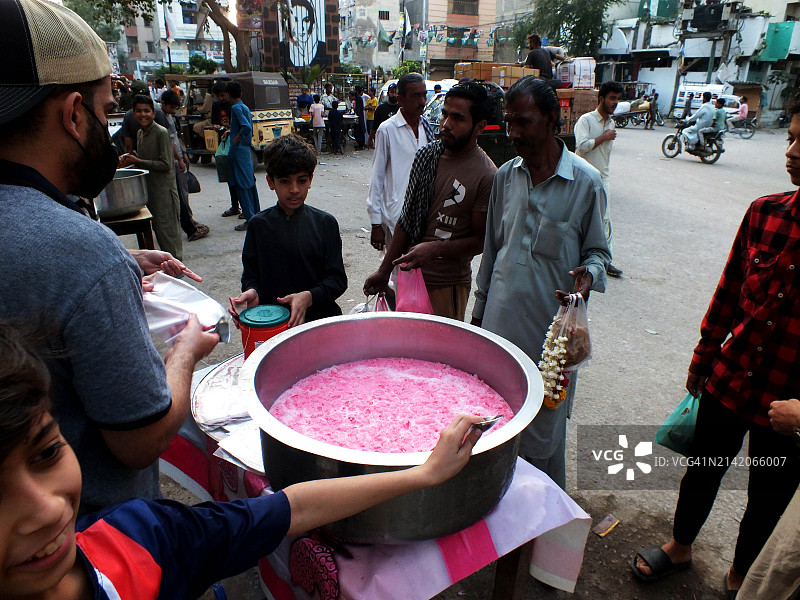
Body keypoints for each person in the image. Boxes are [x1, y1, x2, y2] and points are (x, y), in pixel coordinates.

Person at [0, 319, 483, 600]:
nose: (45, 509)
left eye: (46, 452)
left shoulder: (141, 541)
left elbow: (289, 509)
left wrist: (422, 474)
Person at [0, 0, 218, 513]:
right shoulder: (80, 254)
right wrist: (185, 351)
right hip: (85, 551)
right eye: (104, 110)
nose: (108, 122)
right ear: (74, 114)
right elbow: (140, 440)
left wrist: (121, 267)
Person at [631, 90, 800, 597]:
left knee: (769, 495)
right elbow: (728, 293)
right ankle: (682, 547)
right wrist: (704, 356)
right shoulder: (765, 213)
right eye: (791, 138)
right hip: (729, 379)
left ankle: (740, 576)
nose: (790, 152)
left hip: (787, 404)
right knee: (702, 469)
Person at [470, 76, 610, 489]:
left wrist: (589, 277)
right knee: (494, 430)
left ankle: (537, 536)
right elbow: (492, 253)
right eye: (509, 122)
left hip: (550, 338)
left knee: (540, 441)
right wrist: (478, 315)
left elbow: (599, 255)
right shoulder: (505, 178)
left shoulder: (586, 184)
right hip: (499, 326)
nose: (513, 133)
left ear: (552, 119)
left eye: (524, 122)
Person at [363, 82, 497, 320]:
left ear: (480, 127)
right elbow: (407, 219)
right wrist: (384, 271)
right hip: (409, 277)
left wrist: (435, 249)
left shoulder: (486, 174)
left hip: (448, 285)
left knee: (439, 353)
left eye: (458, 118)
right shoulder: (427, 156)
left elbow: (480, 241)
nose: (446, 123)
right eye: (445, 114)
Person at [231, 134, 347, 327]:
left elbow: (337, 280)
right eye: (285, 181)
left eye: (301, 181)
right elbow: (251, 276)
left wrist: (309, 297)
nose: (294, 189)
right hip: (273, 324)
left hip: (319, 322)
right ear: (270, 182)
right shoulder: (258, 225)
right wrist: (252, 292)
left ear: (310, 179)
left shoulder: (325, 223)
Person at [367, 73, 436, 253]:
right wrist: (376, 223)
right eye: (415, 96)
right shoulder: (387, 130)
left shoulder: (426, 127)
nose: (422, 101)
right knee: (396, 275)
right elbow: (377, 177)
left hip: (423, 214)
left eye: (424, 95)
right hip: (395, 216)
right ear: (401, 99)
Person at [119, 95, 183, 260]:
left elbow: (166, 165)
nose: (143, 115)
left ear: (154, 113)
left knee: (168, 234)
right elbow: (144, 162)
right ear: (134, 114)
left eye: (146, 111)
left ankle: (176, 269)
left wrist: (138, 160)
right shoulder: (140, 133)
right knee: (159, 232)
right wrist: (128, 160)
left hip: (164, 192)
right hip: (151, 192)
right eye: (139, 111)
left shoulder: (161, 133)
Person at [575, 80, 624, 278]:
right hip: (583, 177)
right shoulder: (586, 121)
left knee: (604, 219)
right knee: (579, 219)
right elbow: (582, 146)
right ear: (601, 98)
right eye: (612, 98)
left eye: (618, 99)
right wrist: (604, 137)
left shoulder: (610, 122)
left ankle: (605, 261)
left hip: (603, 177)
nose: (615, 103)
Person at [159, 90, 210, 242]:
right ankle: (189, 227)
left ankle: (189, 220)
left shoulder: (171, 117)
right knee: (180, 195)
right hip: (173, 161)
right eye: (172, 107)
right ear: (164, 104)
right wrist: (179, 159)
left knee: (183, 192)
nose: (174, 110)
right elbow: (168, 141)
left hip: (178, 158)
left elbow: (176, 138)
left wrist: (184, 153)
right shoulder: (161, 117)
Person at [226, 80, 261, 232]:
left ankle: (249, 218)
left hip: (238, 150)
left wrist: (235, 138)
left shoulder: (235, 108)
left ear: (228, 94)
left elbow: (245, 127)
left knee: (242, 184)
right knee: (249, 182)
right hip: (245, 150)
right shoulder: (244, 107)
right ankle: (255, 214)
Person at [369, 82, 401, 148]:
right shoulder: (381, 108)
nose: (394, 95)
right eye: (392, 92)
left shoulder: (402, 109)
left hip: (398, 142)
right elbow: (375, 126)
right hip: (383, 142)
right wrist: (370, 139)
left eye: (396, 92)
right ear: (388, 94)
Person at [353, 85, 367, 149]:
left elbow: (358, 109)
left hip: (359, 116)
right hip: (360, 116)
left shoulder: (358, 98)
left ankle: (361, 144)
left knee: (358, 131)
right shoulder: (359, 98)